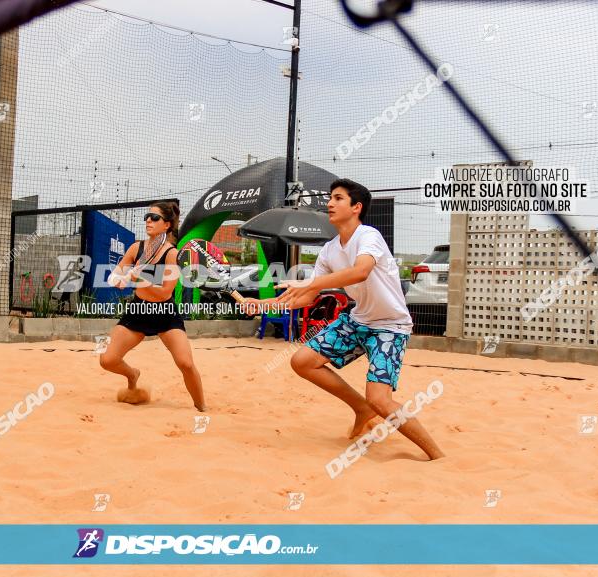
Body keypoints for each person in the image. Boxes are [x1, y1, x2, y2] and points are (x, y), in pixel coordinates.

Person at [243, 179, 444, 461]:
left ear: (356, 207)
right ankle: (361, 409)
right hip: (358, 320)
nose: (330, 203)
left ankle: (438, 456)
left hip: (390, 326)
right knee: (301, 361)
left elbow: (360, 272)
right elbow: (307, 297)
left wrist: (311, 283)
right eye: (330, 198)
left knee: (380, 400)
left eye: (338, 198)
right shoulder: (329, 250)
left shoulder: (368, 236)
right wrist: (263, 305)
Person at [99, 201, 206, 411]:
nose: (148, 220)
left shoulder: (172, 254)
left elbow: (165, 292)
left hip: (164, 312)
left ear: (166, 225)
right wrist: (118, 278)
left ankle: (202, 407)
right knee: (107, 360)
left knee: (185, 363)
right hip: (139, 310)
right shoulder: (136, 247)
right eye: (147, 216)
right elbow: (117, 274)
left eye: (154, 217)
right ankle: (133, 375)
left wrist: (139, 280)